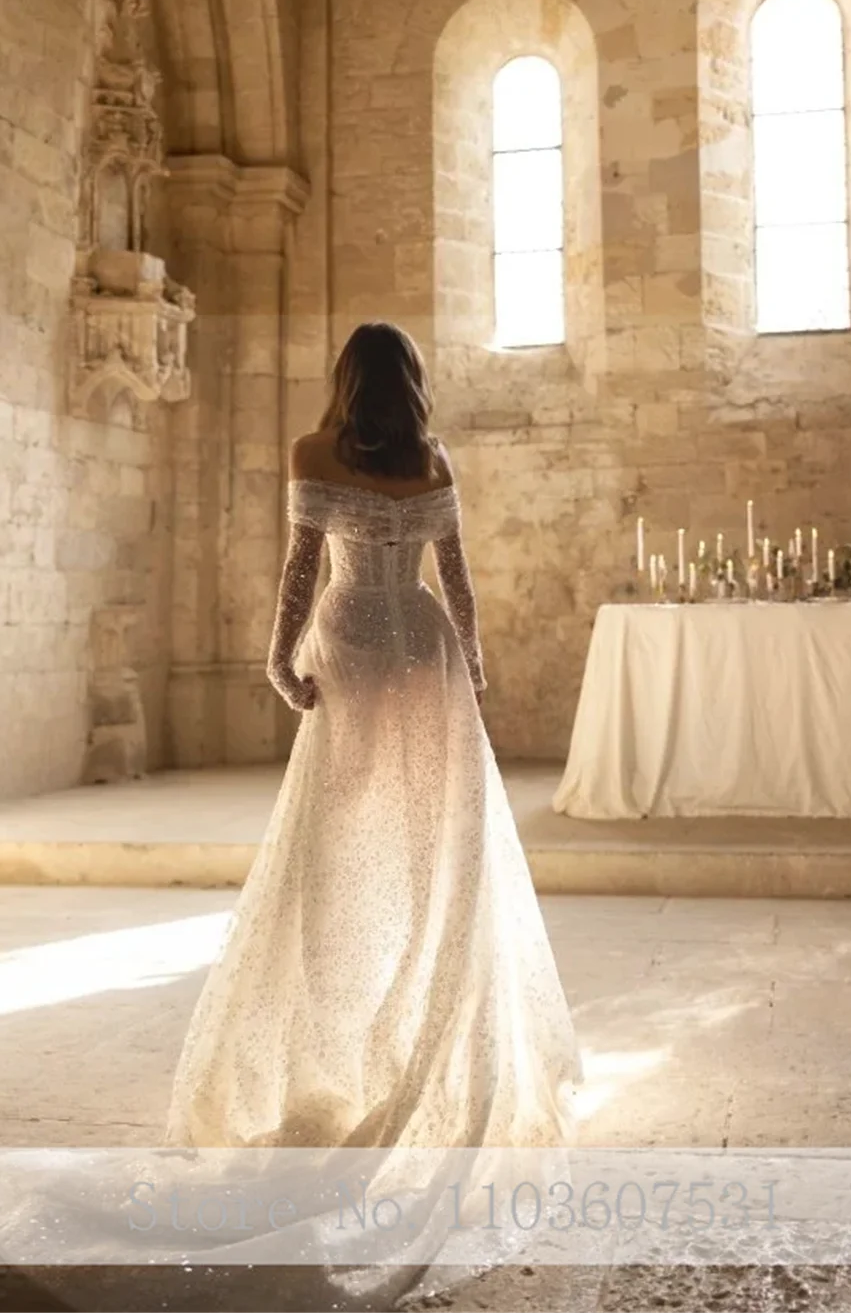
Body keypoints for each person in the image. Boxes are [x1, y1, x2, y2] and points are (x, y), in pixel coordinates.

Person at [165, 321, 583, 1152]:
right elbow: (456, 581)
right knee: (434, 841)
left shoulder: (314, 452)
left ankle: (350, 1015)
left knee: (339, 829)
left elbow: (299, 569)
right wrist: (474, 668)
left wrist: (278, 663)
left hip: (352, 641)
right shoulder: (434, 459)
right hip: (425, 647)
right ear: (413, 381)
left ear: (347, 378)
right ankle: (423, 1005)